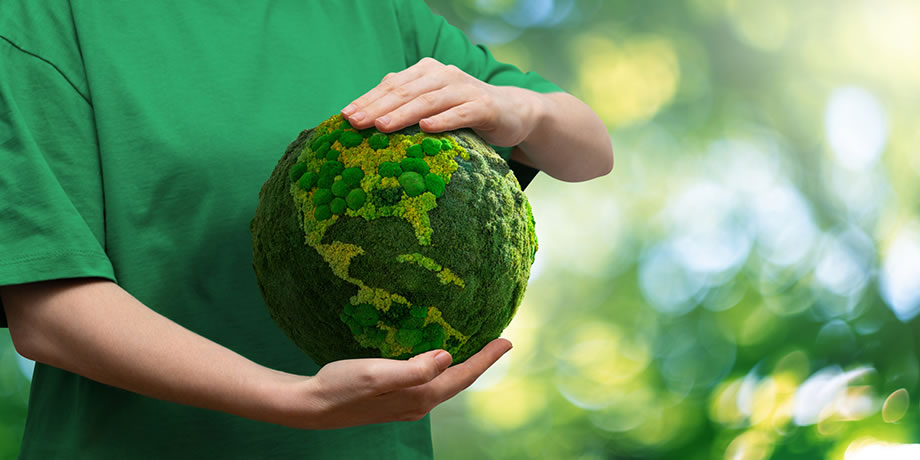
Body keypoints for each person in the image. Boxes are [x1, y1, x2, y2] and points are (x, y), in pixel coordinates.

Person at [0, 1, 612, 458]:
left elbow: (589, 151)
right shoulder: (42, 17)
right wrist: (294, 401)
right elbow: (46, 304)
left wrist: (517, 106)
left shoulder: (378, 12)